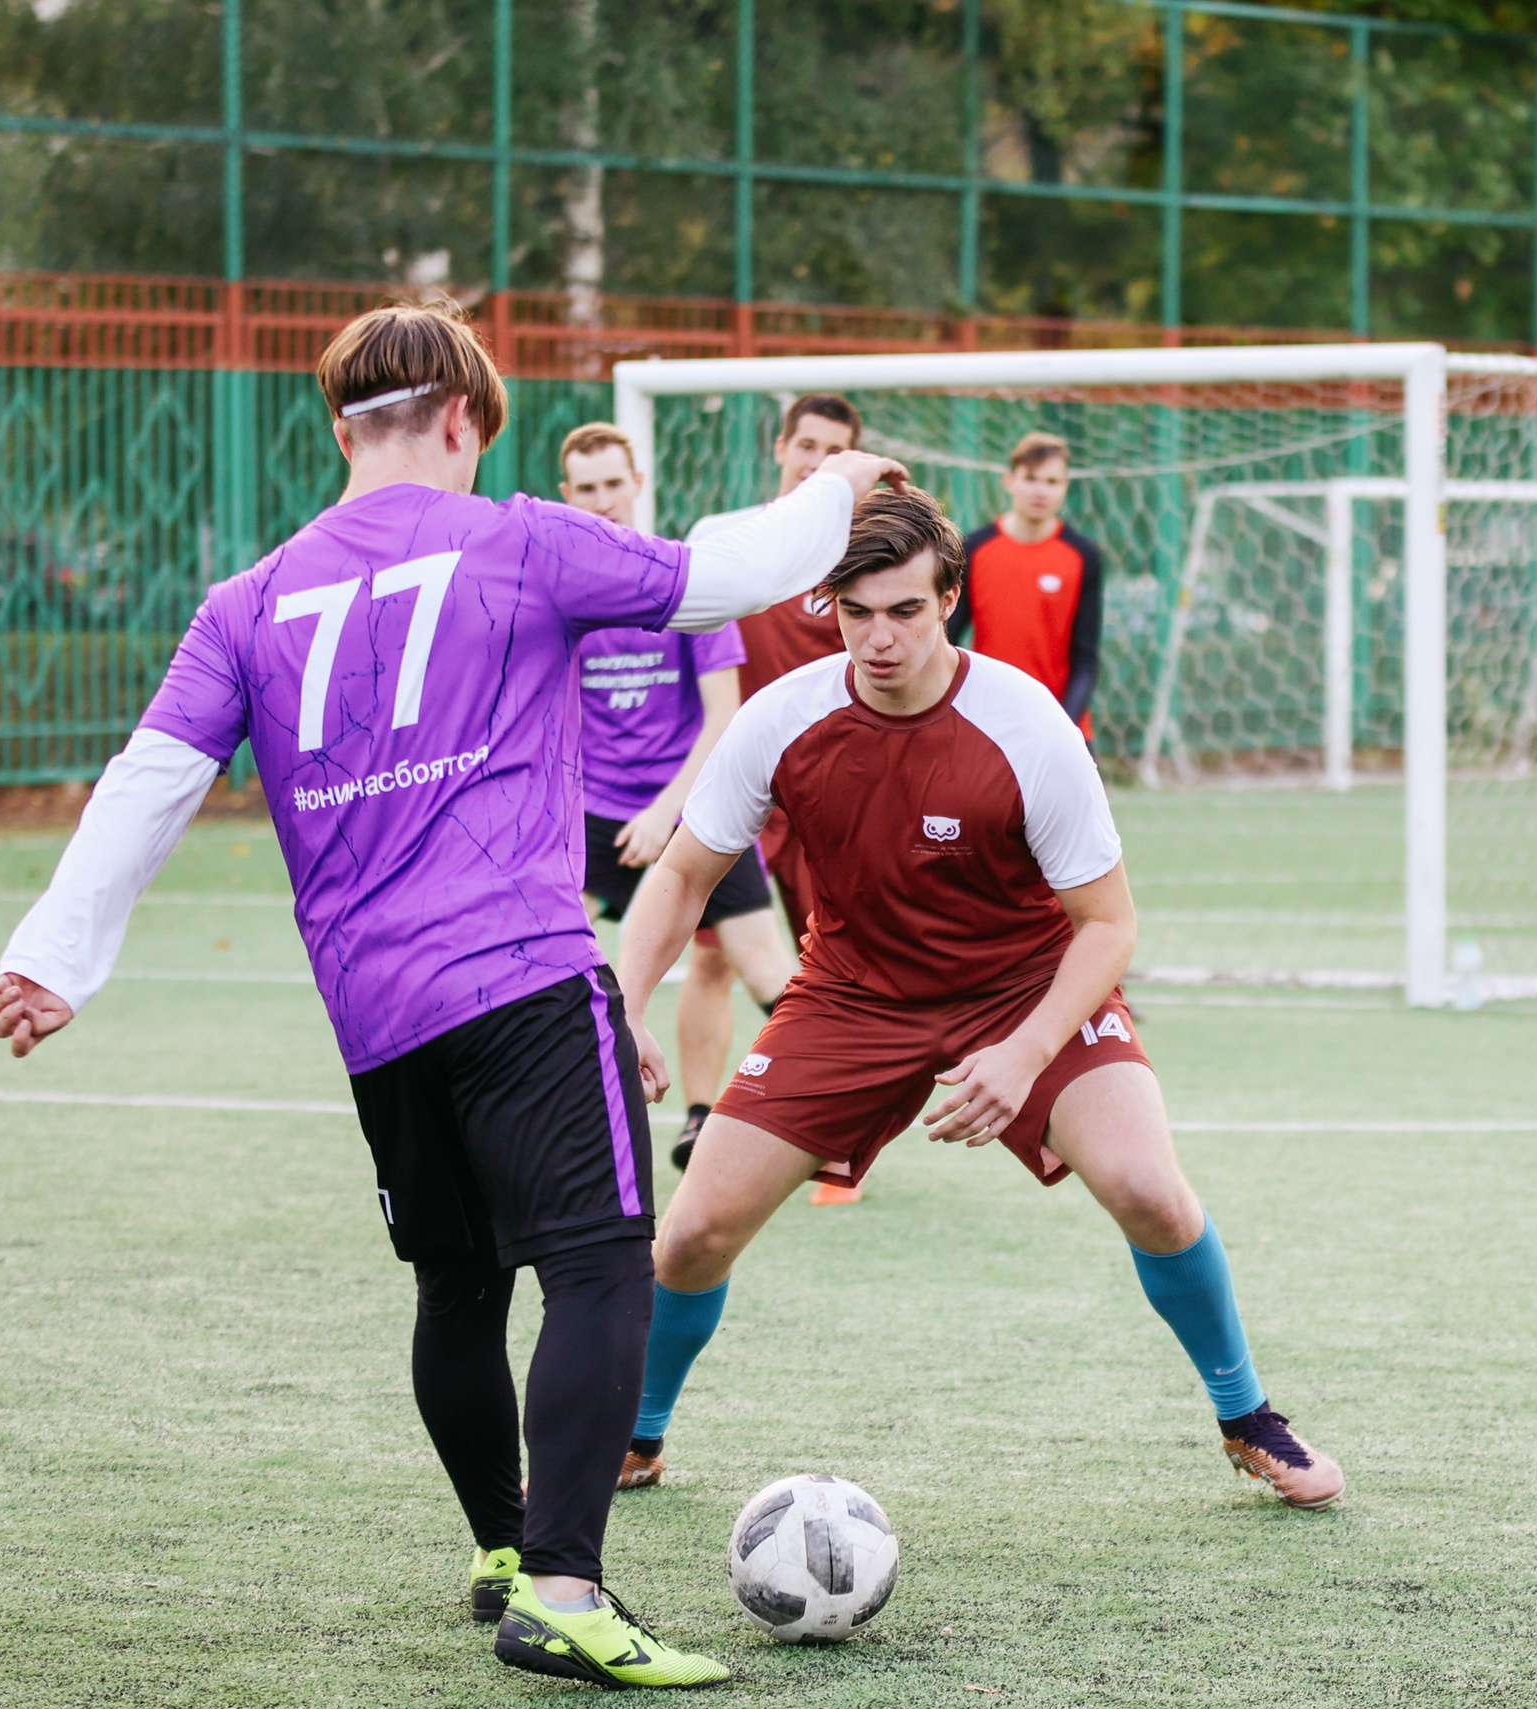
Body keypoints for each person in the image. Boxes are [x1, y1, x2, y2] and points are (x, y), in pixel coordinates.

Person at [0, 298, 907, 1690]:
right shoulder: (518, 538)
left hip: (376, 1014)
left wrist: (54, 956)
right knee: (601, 1268)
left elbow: (150, 780)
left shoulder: (248, 600)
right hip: (525, 978)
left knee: (459, 1284)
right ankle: (566, 1587)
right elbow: (720, 574)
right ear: (469, 419)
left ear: (340, 428)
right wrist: (835, 489)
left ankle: (501, 1545)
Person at [605, 489, 1345, 1510]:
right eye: (856, 612)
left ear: (948, 600)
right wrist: (627, 1002)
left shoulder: (1024, 723)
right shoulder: (786, 718)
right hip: (851, 997)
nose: (879, 638)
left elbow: (1109, 925)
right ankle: (636, 1432)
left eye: (904, 610)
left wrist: (1027, 1050)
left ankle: (1246, 1415)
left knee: (1146, 1188)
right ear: (829, 607)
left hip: (1026, 983)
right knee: (691, 1234)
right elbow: (684, 875)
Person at [557, 419, 795, 1202]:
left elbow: (723, 714)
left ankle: (824, 1116)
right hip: (592, 816)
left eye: (612, 485)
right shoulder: (562, 597)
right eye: (585, 489)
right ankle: (580, 1131)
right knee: (559, 971)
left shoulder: (684, 582)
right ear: (569, 497)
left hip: (693, 806)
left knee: (761, 968)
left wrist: (667, 810)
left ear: (638, 486)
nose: (602, 501)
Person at [687, 391, 872, 1207]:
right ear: (779, 447)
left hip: (833, 796)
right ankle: (702, 1117)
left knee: (835, 963)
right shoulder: (730, 543)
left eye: (834, 451)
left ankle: (842, 1140)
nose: (814, 461)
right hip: (740, 790)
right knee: (713, 953)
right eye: (805, 444)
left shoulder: (866, 558)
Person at [953, 431, 1106, 737]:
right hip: (989, 725)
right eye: (1031, 478)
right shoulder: (974, 549)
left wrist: (1063, 726)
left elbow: (1085, 660)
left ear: (1065, 487)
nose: (1041, 491)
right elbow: (948, 639)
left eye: (1052, 482)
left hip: (1062, 726)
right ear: (1010, 480)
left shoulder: (1083, 556)